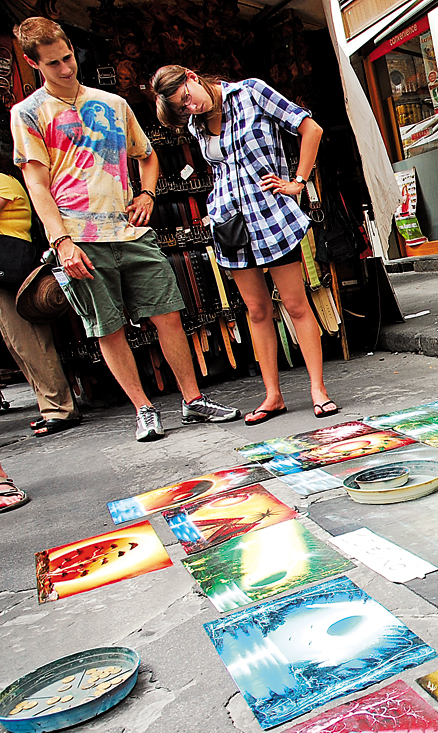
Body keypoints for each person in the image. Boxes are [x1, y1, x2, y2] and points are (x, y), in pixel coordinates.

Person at [11, 17, 240, 442]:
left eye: (67, 57)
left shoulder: (113, 104)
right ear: (32, 63)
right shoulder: (27, 113)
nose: (66, 68)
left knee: (168, 314)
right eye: (54, 63)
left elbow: (147, 155)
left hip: (130, 230)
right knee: (107, 327)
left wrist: (148, 195)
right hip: (78, 236)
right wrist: (61, 241)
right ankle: (144, 409)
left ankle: (192, 401)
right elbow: (37, 185)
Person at [151, 65, 336, 426]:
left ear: (192, 75)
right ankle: (273, 395)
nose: (191, 108)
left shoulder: (251, 91)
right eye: (182, 108)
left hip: (271, 214)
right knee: (256, 310)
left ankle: (318, 389)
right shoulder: (195, 124)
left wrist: (298, 180)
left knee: (296, 304)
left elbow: (310, 128)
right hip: (230, 223)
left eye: (187, 98)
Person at [0, 143, 82, 436]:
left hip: (10, 269)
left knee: (30, 342)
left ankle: (60, 408)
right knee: (17, 344)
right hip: (5, 271)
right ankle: (48, 405)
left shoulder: (3, 181)